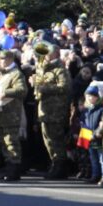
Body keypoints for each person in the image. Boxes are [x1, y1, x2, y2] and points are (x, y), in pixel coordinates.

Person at [33, 40, 71, 179]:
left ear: (56, 53)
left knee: (56, 139)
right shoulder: (44, 69)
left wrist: (45, 88)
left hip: (56, 111)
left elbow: (65, 87)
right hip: (45, 110)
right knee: (47, 139)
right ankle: (54, 163)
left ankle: (60, 166)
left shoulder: (60, 70)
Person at [0, 49, 27, 182]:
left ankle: (14, 170)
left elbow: (22, 90)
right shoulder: (4, 74)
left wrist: (5, 92)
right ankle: (8, 168)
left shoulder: (16, 74)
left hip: (11, 114)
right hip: (2, 113)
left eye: (1, 59)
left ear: (8, 59)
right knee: (4, 142)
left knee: (11, 142)